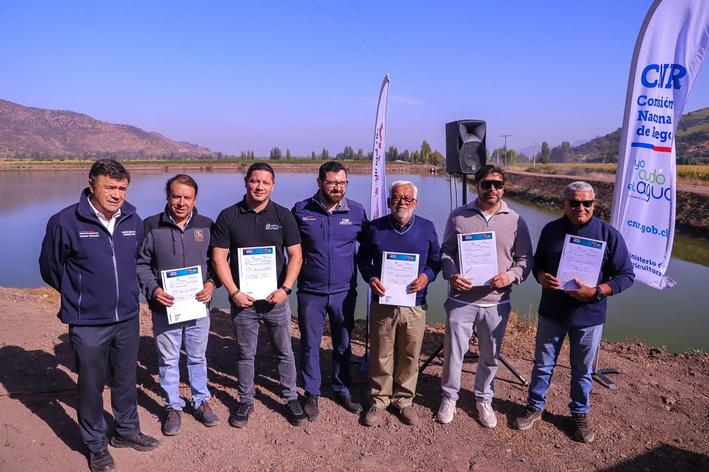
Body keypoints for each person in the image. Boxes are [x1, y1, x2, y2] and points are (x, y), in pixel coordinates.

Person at [39, 159, 158, 472]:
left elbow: (137, 261)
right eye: (110, 187)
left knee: (126, 378)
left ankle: (127, 431)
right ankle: (96, 445)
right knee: (91, 384)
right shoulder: (65, 221)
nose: (117, 194)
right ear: (91, 184)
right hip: (88, 320)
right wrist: (80, 295)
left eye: (122, 188)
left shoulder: (133, 219)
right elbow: (50, 267)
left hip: (127, 316)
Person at [513, 181, 634, 443]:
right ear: (565, 204)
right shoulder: (551, 230)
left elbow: (626, 276)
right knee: (543, 364)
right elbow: (538, 263)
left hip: (589, 316)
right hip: (552, 312)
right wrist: (541, 276)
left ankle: (579, 413)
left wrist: (597, 291)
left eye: (587, 203)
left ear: (594, 204)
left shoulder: (609, 234)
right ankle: (535, 406)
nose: (581, 208)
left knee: (582, 370)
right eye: (575, 203)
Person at [437, 164, 533, 428]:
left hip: (496, 302)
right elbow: (446, 252)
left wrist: (509, 276)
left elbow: (525, 259)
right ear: (476, 186)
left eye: (498, 184)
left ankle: (483, 399)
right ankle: (449, 397)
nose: (492, 189)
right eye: (486, 184)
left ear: (503, 188)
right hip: (461, 300)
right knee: (453, 354)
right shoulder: (458, 216)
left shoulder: (516, 220)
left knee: (490, 356)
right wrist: (451, 274)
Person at [211, 162, 306, 428]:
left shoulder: (283, 216)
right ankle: (245, 399)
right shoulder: (228, 216)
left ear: (273, 185)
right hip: (244, 302)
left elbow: (296, 256)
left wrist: (285, 289)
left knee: (284, 351)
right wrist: (233, 292)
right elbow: (219, 258)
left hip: (276, 300)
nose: (259, 187)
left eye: (265, 182)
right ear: (246, 182)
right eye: (255, 181)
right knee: (245, 353)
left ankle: (290, 397)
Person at [136, 174, 220, 436]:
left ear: (195, 199)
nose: (181, 202)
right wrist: (154, 290)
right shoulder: (151, 226)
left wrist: (212, 283)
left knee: (197, 357)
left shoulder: (207, 225)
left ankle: (200, 400)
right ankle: (173, 406)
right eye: (176, 196)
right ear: (168, 197)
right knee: (168, 359)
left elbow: (217, 262)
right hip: (165, 308)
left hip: (198, 307)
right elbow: (141, 264)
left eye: (187, 197)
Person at [357, 180, 440, 426]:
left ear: (416, 203)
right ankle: (380, 399)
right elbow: (363, 260)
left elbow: (436, 260)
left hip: (415, 304)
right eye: (396, 197)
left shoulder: (427, 227)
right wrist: (371, 278)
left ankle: (404, 400)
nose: (402, 202)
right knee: (381, 353)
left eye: (407, 198)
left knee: (410, 354)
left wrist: (427, 276)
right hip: (383, 302)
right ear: (388, 201)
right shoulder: (375, 228)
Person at [291, 161, 367, 420]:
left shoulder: (357, 211)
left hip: (344, 292)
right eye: (332, 182)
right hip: (310, 291)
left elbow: (371, 246)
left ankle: (342, 388)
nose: (337, 187)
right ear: (319, 182)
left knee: (343, 343)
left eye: (342, 183)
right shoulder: (301, 210)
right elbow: (287, 247)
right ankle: (311, 392)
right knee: (310, 344)